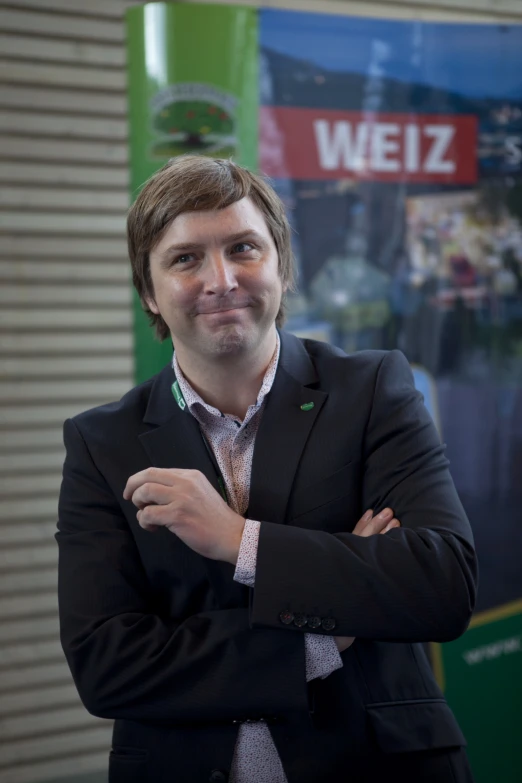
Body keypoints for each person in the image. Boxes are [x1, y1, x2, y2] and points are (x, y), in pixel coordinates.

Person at [56, 155, 478, 783]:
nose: (221, 278)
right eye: (185, 258)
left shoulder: (372, 391)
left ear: (282, 263)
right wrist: (317, 640)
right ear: (149, 290)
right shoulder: (102, 442)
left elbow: (441, 585)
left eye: (243, 247)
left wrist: (240, 541)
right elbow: (108, 665)